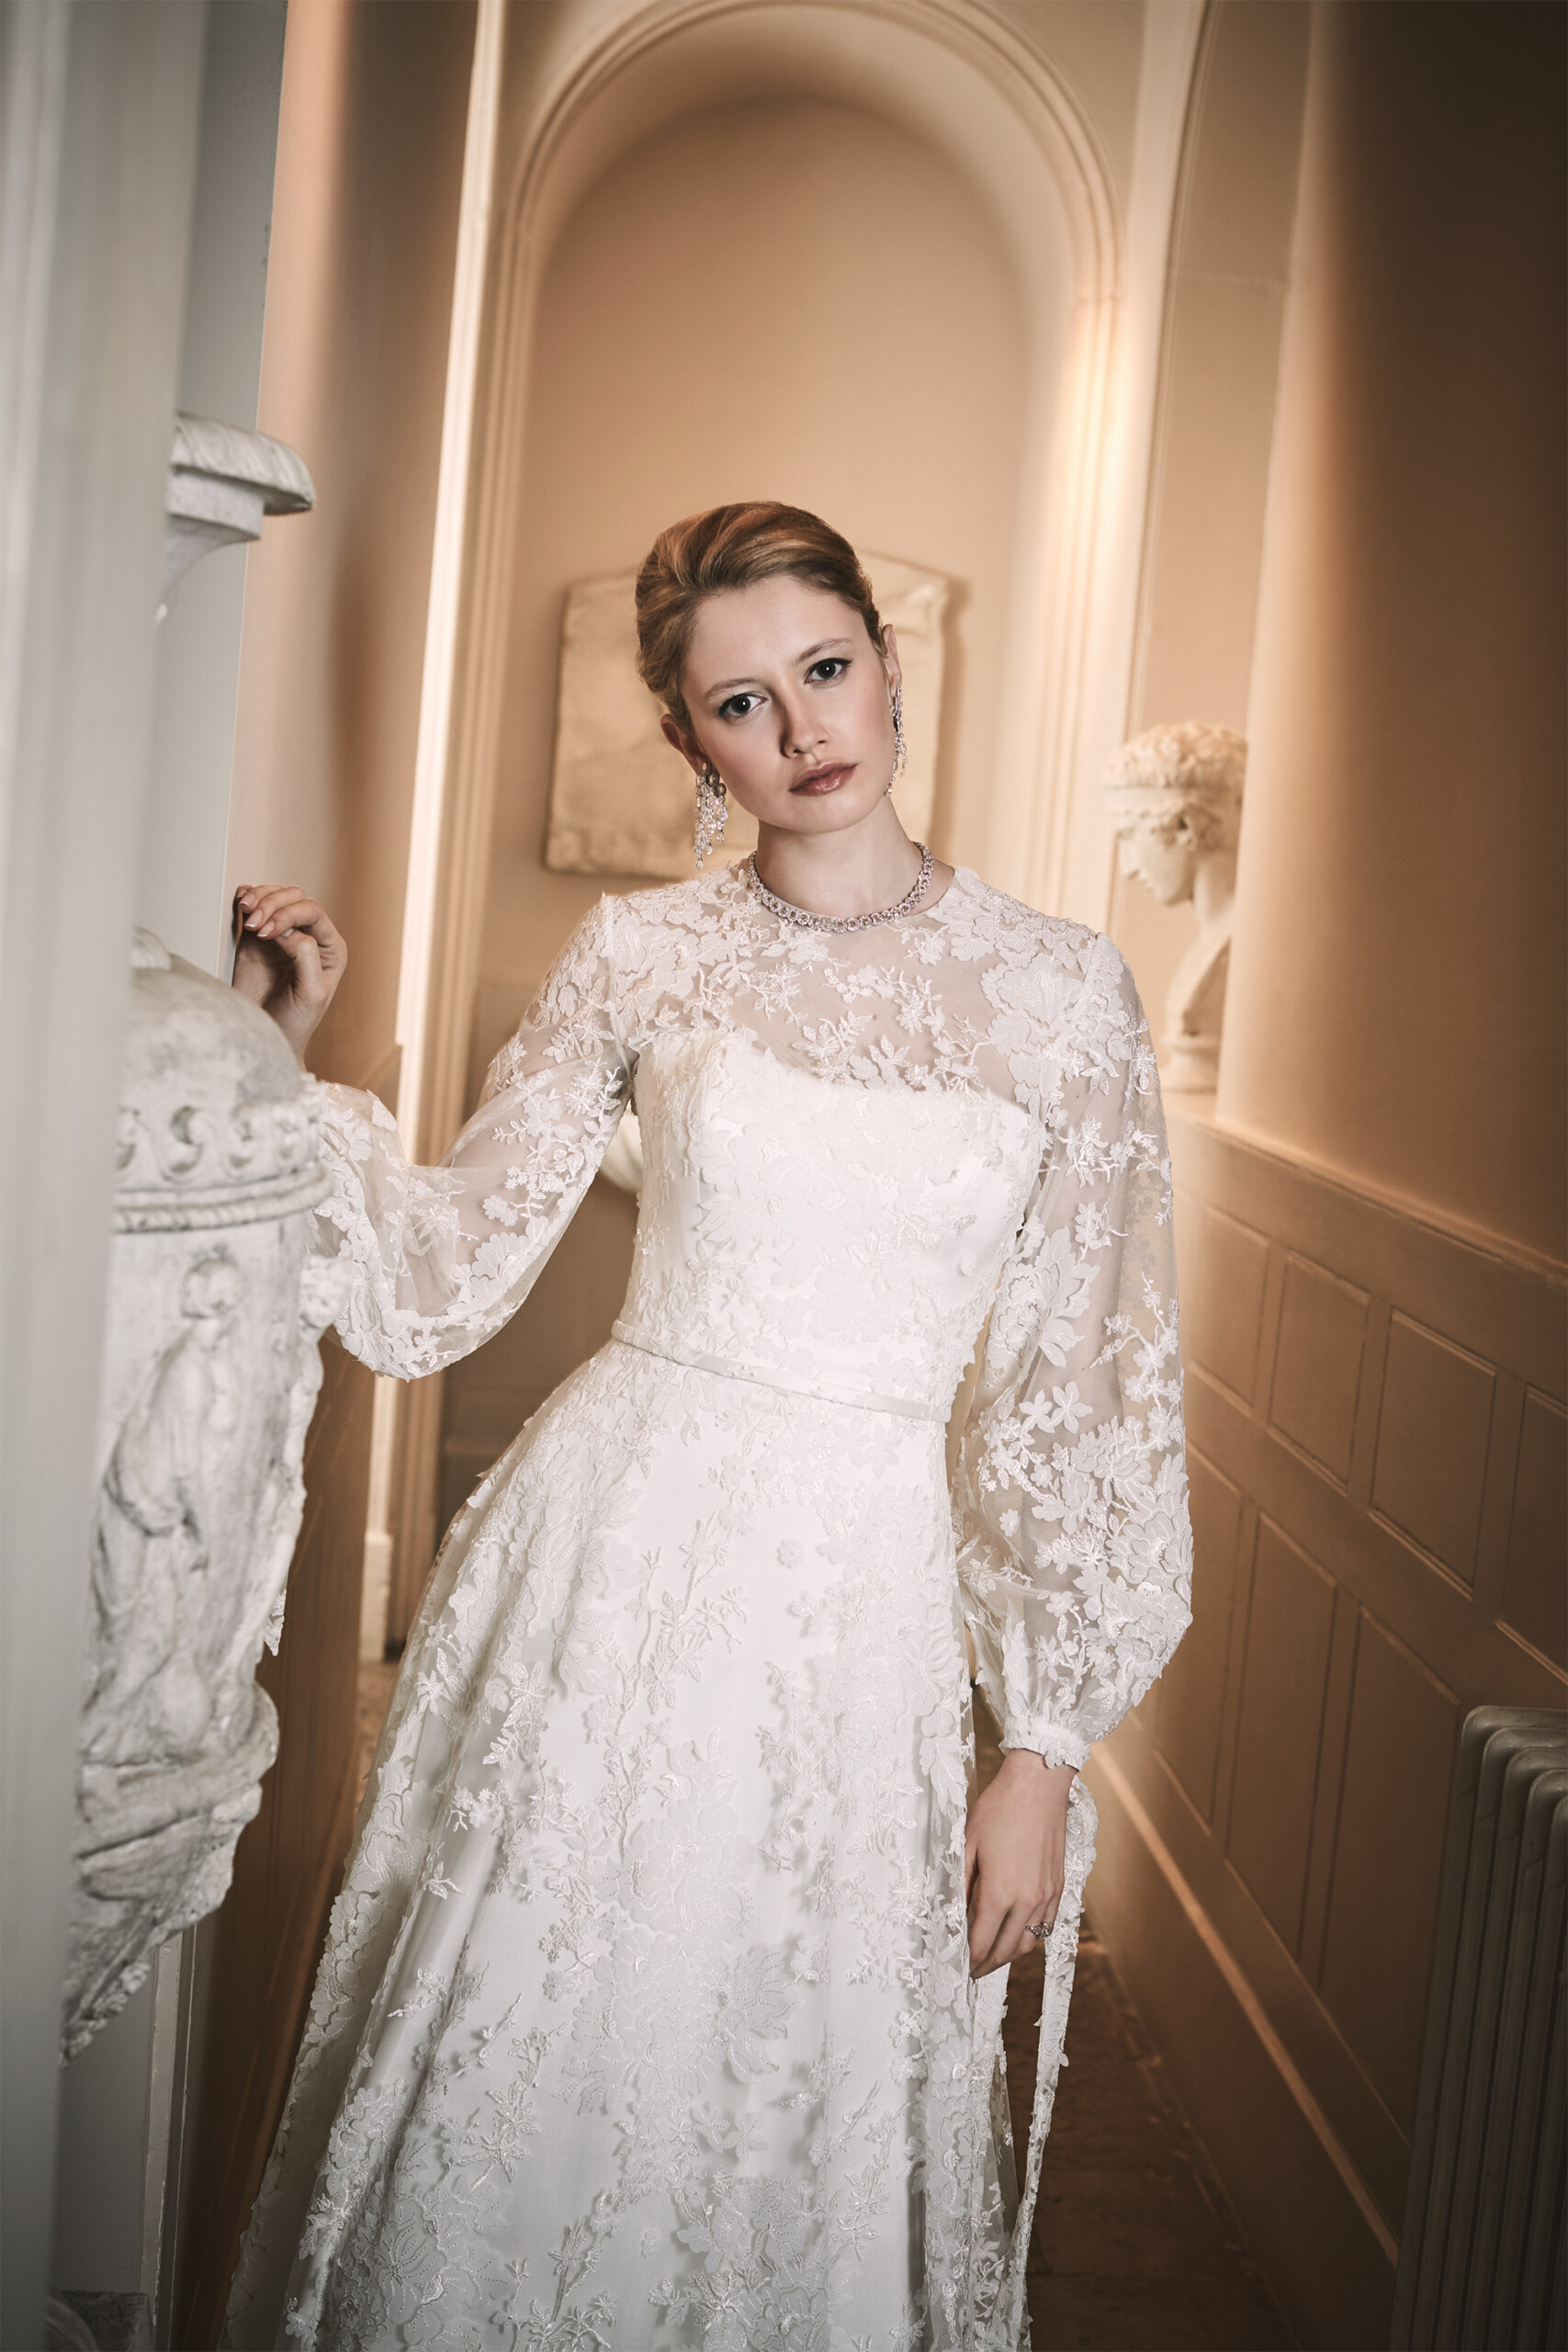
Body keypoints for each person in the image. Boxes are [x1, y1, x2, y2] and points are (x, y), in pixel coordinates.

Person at [222, 503, 1191, 2351]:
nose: (804, 727)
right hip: (612, 1565)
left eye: (825, 669)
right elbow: (441, 1263)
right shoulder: (642, 953)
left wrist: (1042, 1745)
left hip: (862, 1611)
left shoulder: (1065, 990)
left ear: (885, 666)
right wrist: (282, 1051)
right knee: (542, 2032)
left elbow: (1076, 1390)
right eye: (743, 703)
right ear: (690, 743)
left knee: (786, 2075)